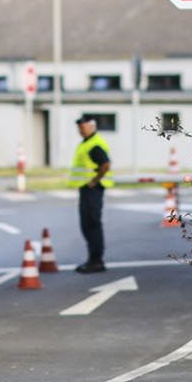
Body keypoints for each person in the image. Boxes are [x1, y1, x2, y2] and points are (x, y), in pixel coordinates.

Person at [67, 115, 114, 273]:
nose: (80, 129)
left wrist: (94, 181)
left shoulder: (94, 144)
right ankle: (93, 259)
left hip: (93, 189)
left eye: (83, 126)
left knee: (92, 224)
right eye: (79, 127)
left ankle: (96, 261)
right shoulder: (86, 143)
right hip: (87, 188)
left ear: (92, 126)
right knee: (87, 225)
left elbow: (105, 164)